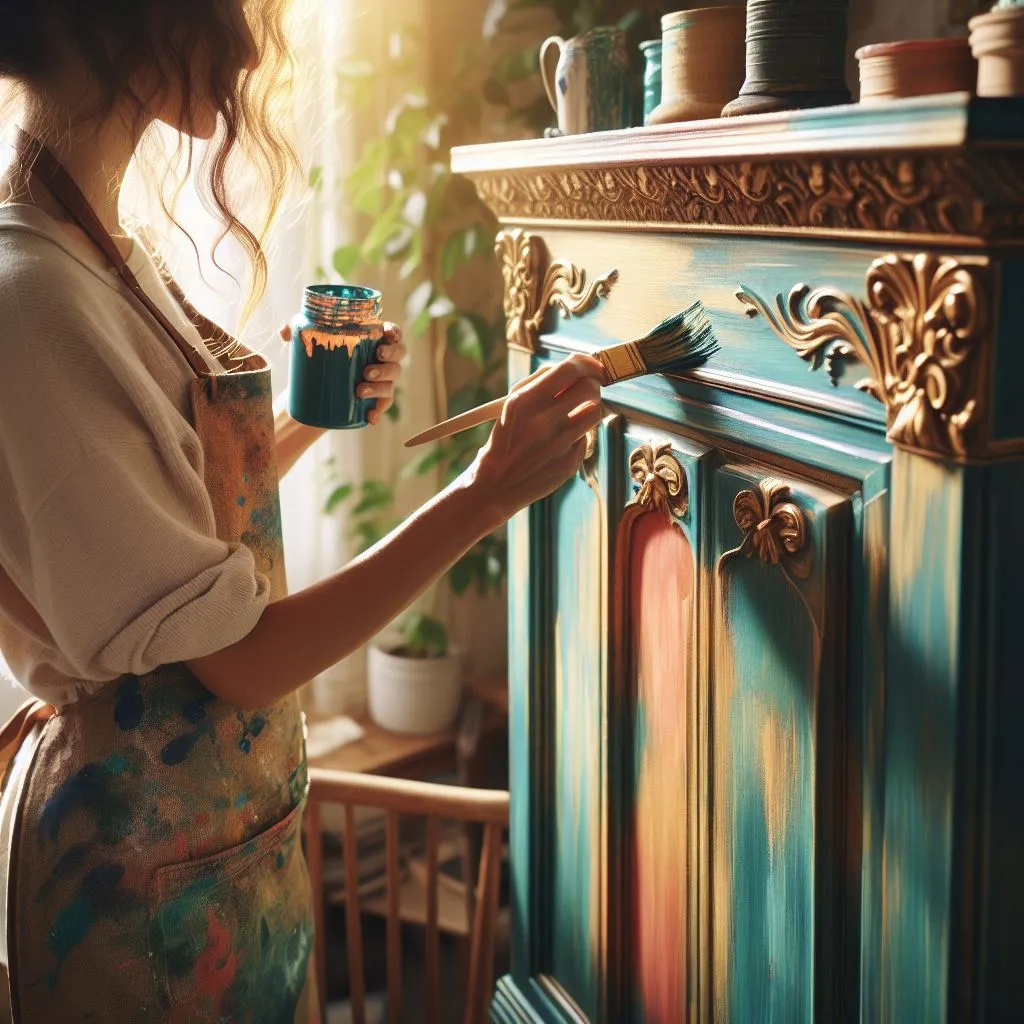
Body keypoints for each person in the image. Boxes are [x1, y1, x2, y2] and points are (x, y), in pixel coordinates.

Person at [0, 1, 605, 1020]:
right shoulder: (34, 297)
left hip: (209, 837)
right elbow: (237, 657)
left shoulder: (100, 247)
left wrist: (310, 415)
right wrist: (481, 495)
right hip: (135, 884)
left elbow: (180, 537)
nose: (244, 38)